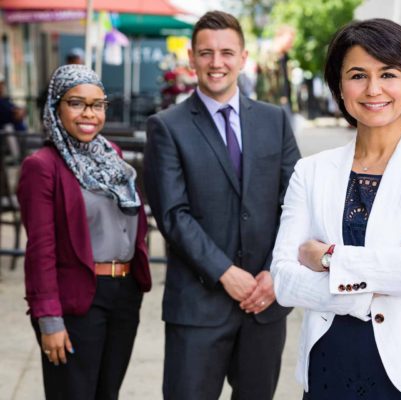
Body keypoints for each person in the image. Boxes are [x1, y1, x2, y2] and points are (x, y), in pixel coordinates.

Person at [271, 18, 401, 399]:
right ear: (340, 87)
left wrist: (329, 258)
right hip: (332, 362)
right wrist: (378, 279)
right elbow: (283, 280)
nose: (373, 89)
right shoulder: (311, 171)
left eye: (389, 74)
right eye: (358, 75)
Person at [143, 11, 300, 400]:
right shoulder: (166, 126)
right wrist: (225, 273)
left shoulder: (274, 121)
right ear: (192, 58)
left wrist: (273, 274)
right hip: (198, 307)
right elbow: (172, 216)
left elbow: (297, 203)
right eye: (207, 53)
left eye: (227, 52)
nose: (217, 63)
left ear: (243, 57)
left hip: (265, 304)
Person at [17, 64, 152, 399]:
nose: (88, 113)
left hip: (124, 295)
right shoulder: (42, 166)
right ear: (56, 107)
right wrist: (49, 318)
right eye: (76, 103)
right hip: (77, 298)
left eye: (97, 104)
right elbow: (41, 250)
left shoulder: (113, 156)